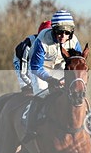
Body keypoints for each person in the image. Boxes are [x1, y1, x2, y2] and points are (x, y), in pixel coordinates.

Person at [22, 10, 82, 143]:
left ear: (71, 32)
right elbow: (36, 67)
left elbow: (78, 62)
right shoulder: (42, 39)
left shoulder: (74, 41)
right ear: (53, 30)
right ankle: (30, 128)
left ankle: (85, 121)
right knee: (42, 94)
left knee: (75, 91)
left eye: (67, 32)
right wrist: (50, 79)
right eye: (59, 32)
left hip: (59, 67)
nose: (63, 36)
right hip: (40, 68)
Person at [13, 19, 51, 94]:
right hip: (22, 60)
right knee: (29, 89)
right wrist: (32, 84)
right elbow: (23, 73)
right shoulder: (28, 45)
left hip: (37, 62)